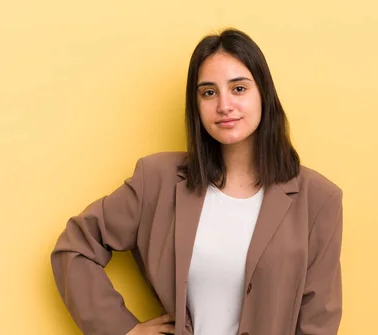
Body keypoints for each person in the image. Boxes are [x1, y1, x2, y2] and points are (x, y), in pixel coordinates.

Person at [51, 28, 343, 335]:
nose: (224, 105)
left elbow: (318, 322)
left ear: (264, 94)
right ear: (197, 105)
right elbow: (75, 246)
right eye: (209, 92)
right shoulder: (156, 180)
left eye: (239, 89)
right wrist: (122, 329)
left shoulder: (318, 200)